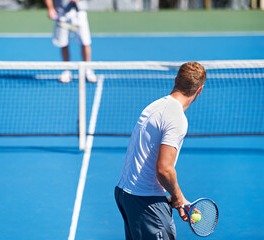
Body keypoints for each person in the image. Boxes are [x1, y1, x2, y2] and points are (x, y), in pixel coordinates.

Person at [115, 62, 206, 240]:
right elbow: (164, 169)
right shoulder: (177, 119)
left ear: (176, 80)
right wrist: (179, 198)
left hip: (125, 194)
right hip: (145, 201)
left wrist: (176, 199)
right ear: (200, 90)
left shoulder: (154, 106)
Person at [45, 0, 96, 83]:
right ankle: (66, 71)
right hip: (62, 13)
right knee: (63, 43)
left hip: (79, 13)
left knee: (85, 42)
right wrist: (50, 8)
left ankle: (88, 70)